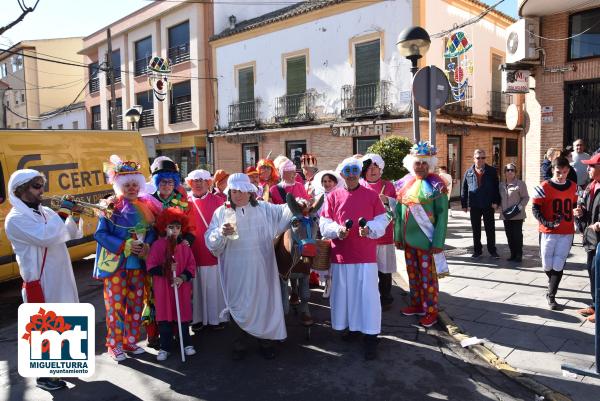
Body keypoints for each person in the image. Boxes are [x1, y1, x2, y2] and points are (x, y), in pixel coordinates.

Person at [5, 169, 82, 392]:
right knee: (45, 327)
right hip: (41, 279)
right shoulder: (15, 219)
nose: (42, 190)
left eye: (42, 185)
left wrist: (74, 215)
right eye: (37, 186)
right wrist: (64, 213)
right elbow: (46, 237)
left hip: (60, 273)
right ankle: (44, 376)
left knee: (65, 321)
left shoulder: (46, 210)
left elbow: (69, 234)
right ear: (21, 191)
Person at [205, 173, 292, 360]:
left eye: (241, 191)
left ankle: (266, 342)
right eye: (234, 191)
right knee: (238, 304)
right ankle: (239, 345)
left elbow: (285, 211)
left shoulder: (264, 209)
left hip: (262, 269)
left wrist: (299, 203)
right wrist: (221, 233)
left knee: (263, 302)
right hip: (235, 270)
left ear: (250, 192)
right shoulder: (221, 213)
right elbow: (211, 241)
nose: (237, 195)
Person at [319, 157, 388, 360]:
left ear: (359, 173)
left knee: (367, 297)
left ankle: (371, 336)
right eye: (347, 172)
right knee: (346, 295)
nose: (351, 175)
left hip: (365, 256)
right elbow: (325, 221)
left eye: (354, 171)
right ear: (342, 174)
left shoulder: (371, 195)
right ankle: (355, 327)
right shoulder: (333, 196)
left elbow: (382, 220)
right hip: (341, 255)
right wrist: (337, 230)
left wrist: (370, 229)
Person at [93, 155, 161, 362]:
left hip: (137, 265)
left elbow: (151, 231)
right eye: (127, 185)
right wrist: (124, 245)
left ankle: (129, 340)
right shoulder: (110, 206)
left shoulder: (146, 206)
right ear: (120, 186)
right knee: (115, 306)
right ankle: (113, 344)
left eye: (134, 184)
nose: (132, 188)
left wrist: (147, 244)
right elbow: (100, 234)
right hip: (117, 265)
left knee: (136, 303)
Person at [395, 142, 448, 328]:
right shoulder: (406, 184)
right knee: (413, 275)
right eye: (418, 163)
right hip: (409, 242)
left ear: (431, 164)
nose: (421, 166)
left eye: (425, 163)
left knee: (428, 279)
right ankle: (417, 304)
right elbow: (400, 214)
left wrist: (439, 241)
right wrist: (398, 237)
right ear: (412, 164)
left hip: (427, 242)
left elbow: (442, 215)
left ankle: (431, 311)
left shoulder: (437, 186)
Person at [148, 157, 195, 349]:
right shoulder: (148, 200)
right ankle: (155, 334)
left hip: (179, 252)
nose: (166, 185)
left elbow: (191, 228)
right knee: (155, 296)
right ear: (157, 183)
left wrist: (186, 241)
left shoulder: (182, 201)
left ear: (174, 182)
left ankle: (179, 334)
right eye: (162, 181)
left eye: (170, 181)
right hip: (156, 253)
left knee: (180, 293)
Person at [146, 207, 197, 361]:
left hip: (181, 288)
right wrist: (166, 270)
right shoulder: (157, 246)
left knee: (182, 317)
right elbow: (151, 266)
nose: (174, 230)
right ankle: (165, 347)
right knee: (165, 319)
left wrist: (182, 277)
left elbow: (191, 266)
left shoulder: (184, 247)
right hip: (163, 290)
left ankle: (186, 343)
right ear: (164, 227)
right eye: (171, 227)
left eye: (177, 227)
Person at [532, 156, 578, 310]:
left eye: (565, 172)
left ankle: (551, 295)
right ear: (552, 170)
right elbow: (535, 209)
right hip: (548, 231)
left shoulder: (573, 187)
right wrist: (547, 223)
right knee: (547, 264)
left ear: (568, 171)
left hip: (566, 230)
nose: (561, 175)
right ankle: (552, 284)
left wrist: (578, 211)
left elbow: (576, 205)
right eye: (558, 172)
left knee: (558, 264)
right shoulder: (543, 186)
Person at [186, 169, 227, 331]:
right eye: (194, 181)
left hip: (213, 251)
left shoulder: (218, 201)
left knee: (214, 286)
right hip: (193, 250)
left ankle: (218, 317)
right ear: (190, 183)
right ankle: (197, 318)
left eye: (201, 181)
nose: (197, 184)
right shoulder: (184, 202)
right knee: (195, 288)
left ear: (208, 183)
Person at [359, 153, 397, 310]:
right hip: (365, 235)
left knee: (384, 269)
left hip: (385, 235)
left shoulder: (388, 185)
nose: (372, 170)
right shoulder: (359, 184)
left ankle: (386, 297)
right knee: (368, 269)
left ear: (380, 169)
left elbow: (397, 208)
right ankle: (369, 297)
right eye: (369, 168)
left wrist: (387, 200)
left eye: (375, 167)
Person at [574, 153, 600, 323]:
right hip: (592, 238)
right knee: (592, 271)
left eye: (591, 166)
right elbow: (587, 211)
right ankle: (595, 305)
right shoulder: (591, 186)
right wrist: (580, 213)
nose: (588, 169)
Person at [461, 149, 501, 259]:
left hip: (488, 204)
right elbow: (464, 188)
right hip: (475, 205)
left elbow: (496, 188)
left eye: (483, 158)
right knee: (476, 229)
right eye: (478, 158)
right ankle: (477, 251)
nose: (480, 160)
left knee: (490, 229)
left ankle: (492, 250)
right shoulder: (468, 172)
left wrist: (496, 202)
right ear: (474, 158)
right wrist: (464, 204)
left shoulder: (492, 171)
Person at [312, 170, 344, 297]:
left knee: (334, 259)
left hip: (335, 230)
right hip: (321, 230)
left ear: (335, 182)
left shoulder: (339, 195)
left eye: (329, 181)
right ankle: (327, 284)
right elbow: (315, 213)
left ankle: (335, 285)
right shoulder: (318, 197)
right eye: (324, 181)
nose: (327, 184)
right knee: (324, 258)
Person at [499, 163, 530, 262]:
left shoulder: (520, 184)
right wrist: (498, 207)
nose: (510, 172)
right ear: (504, 172)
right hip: (506, 215)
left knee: (517, 235)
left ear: (515, 172)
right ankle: (512, 253)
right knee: (509, 235)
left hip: (517, 214)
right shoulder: (501, 185)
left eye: (512, 170)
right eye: (508, 170)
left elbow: (526, 197)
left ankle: (519, 254)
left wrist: (520, 207)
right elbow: (499, 198)